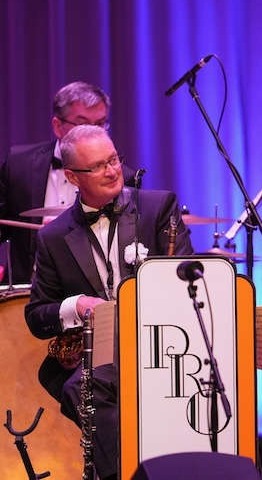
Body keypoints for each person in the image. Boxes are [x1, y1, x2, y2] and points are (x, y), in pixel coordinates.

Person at [25, 125, 192, 479]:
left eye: (114, 159)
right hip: (99, 352)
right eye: (98, 166)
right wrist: (76, 305)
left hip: (160, 339)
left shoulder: (158, 206)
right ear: (72, 176)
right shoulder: (52, 237)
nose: (112, 170)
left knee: (89, 388)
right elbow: (36, 316)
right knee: (82, 385)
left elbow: (186, 279)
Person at [0, 81, 134, 283]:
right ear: (57, 126)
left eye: (99, 124)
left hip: (93, 293)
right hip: (23, 291)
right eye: (82, 124)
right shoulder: (19, 165)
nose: (92, 133)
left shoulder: (119, 176)